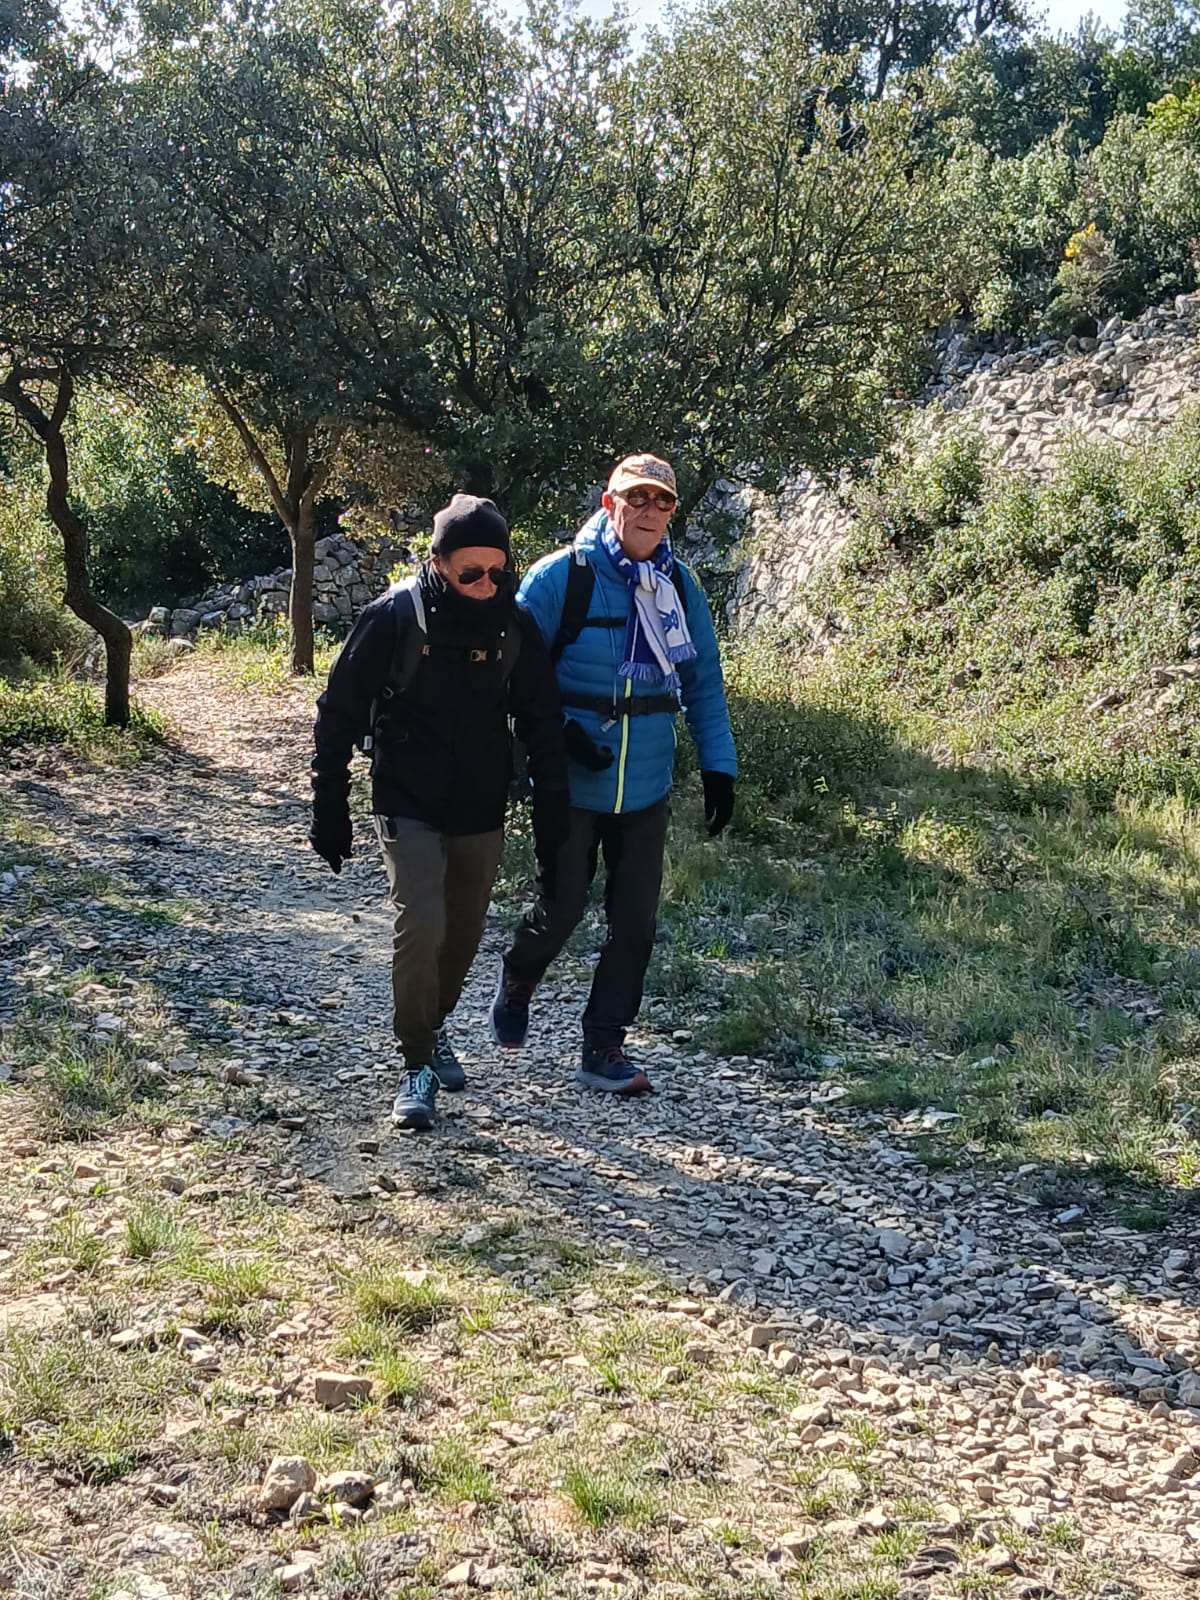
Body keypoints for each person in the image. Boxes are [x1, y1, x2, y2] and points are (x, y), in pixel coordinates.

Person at [309, 494, 569, 1130]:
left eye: (499, 572)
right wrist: (329, 803)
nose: (486, 585)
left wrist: (555, 823)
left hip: (480, 803)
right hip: (407, 798)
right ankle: (416, 1063)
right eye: (470, 572)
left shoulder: (514, 626)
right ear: (437, 564)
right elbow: (338, 712)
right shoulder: (394, 617)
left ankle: (433, 1022)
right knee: (422, 923)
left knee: (463, 935)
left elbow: (542, 723)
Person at [490, 453, 736, 1095]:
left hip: (647, 785)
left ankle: (604, 1045)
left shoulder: (679, 586)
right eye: (637, 498)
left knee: (635, 921)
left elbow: (702, 681)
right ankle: (519, 976)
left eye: (663, 501)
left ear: (673, 512)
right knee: (562, 908)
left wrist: (720, 765)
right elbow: (513, 674)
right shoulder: (560, 578)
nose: (650, 511)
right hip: (570, 783)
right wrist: (560, 735)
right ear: (610, 503)